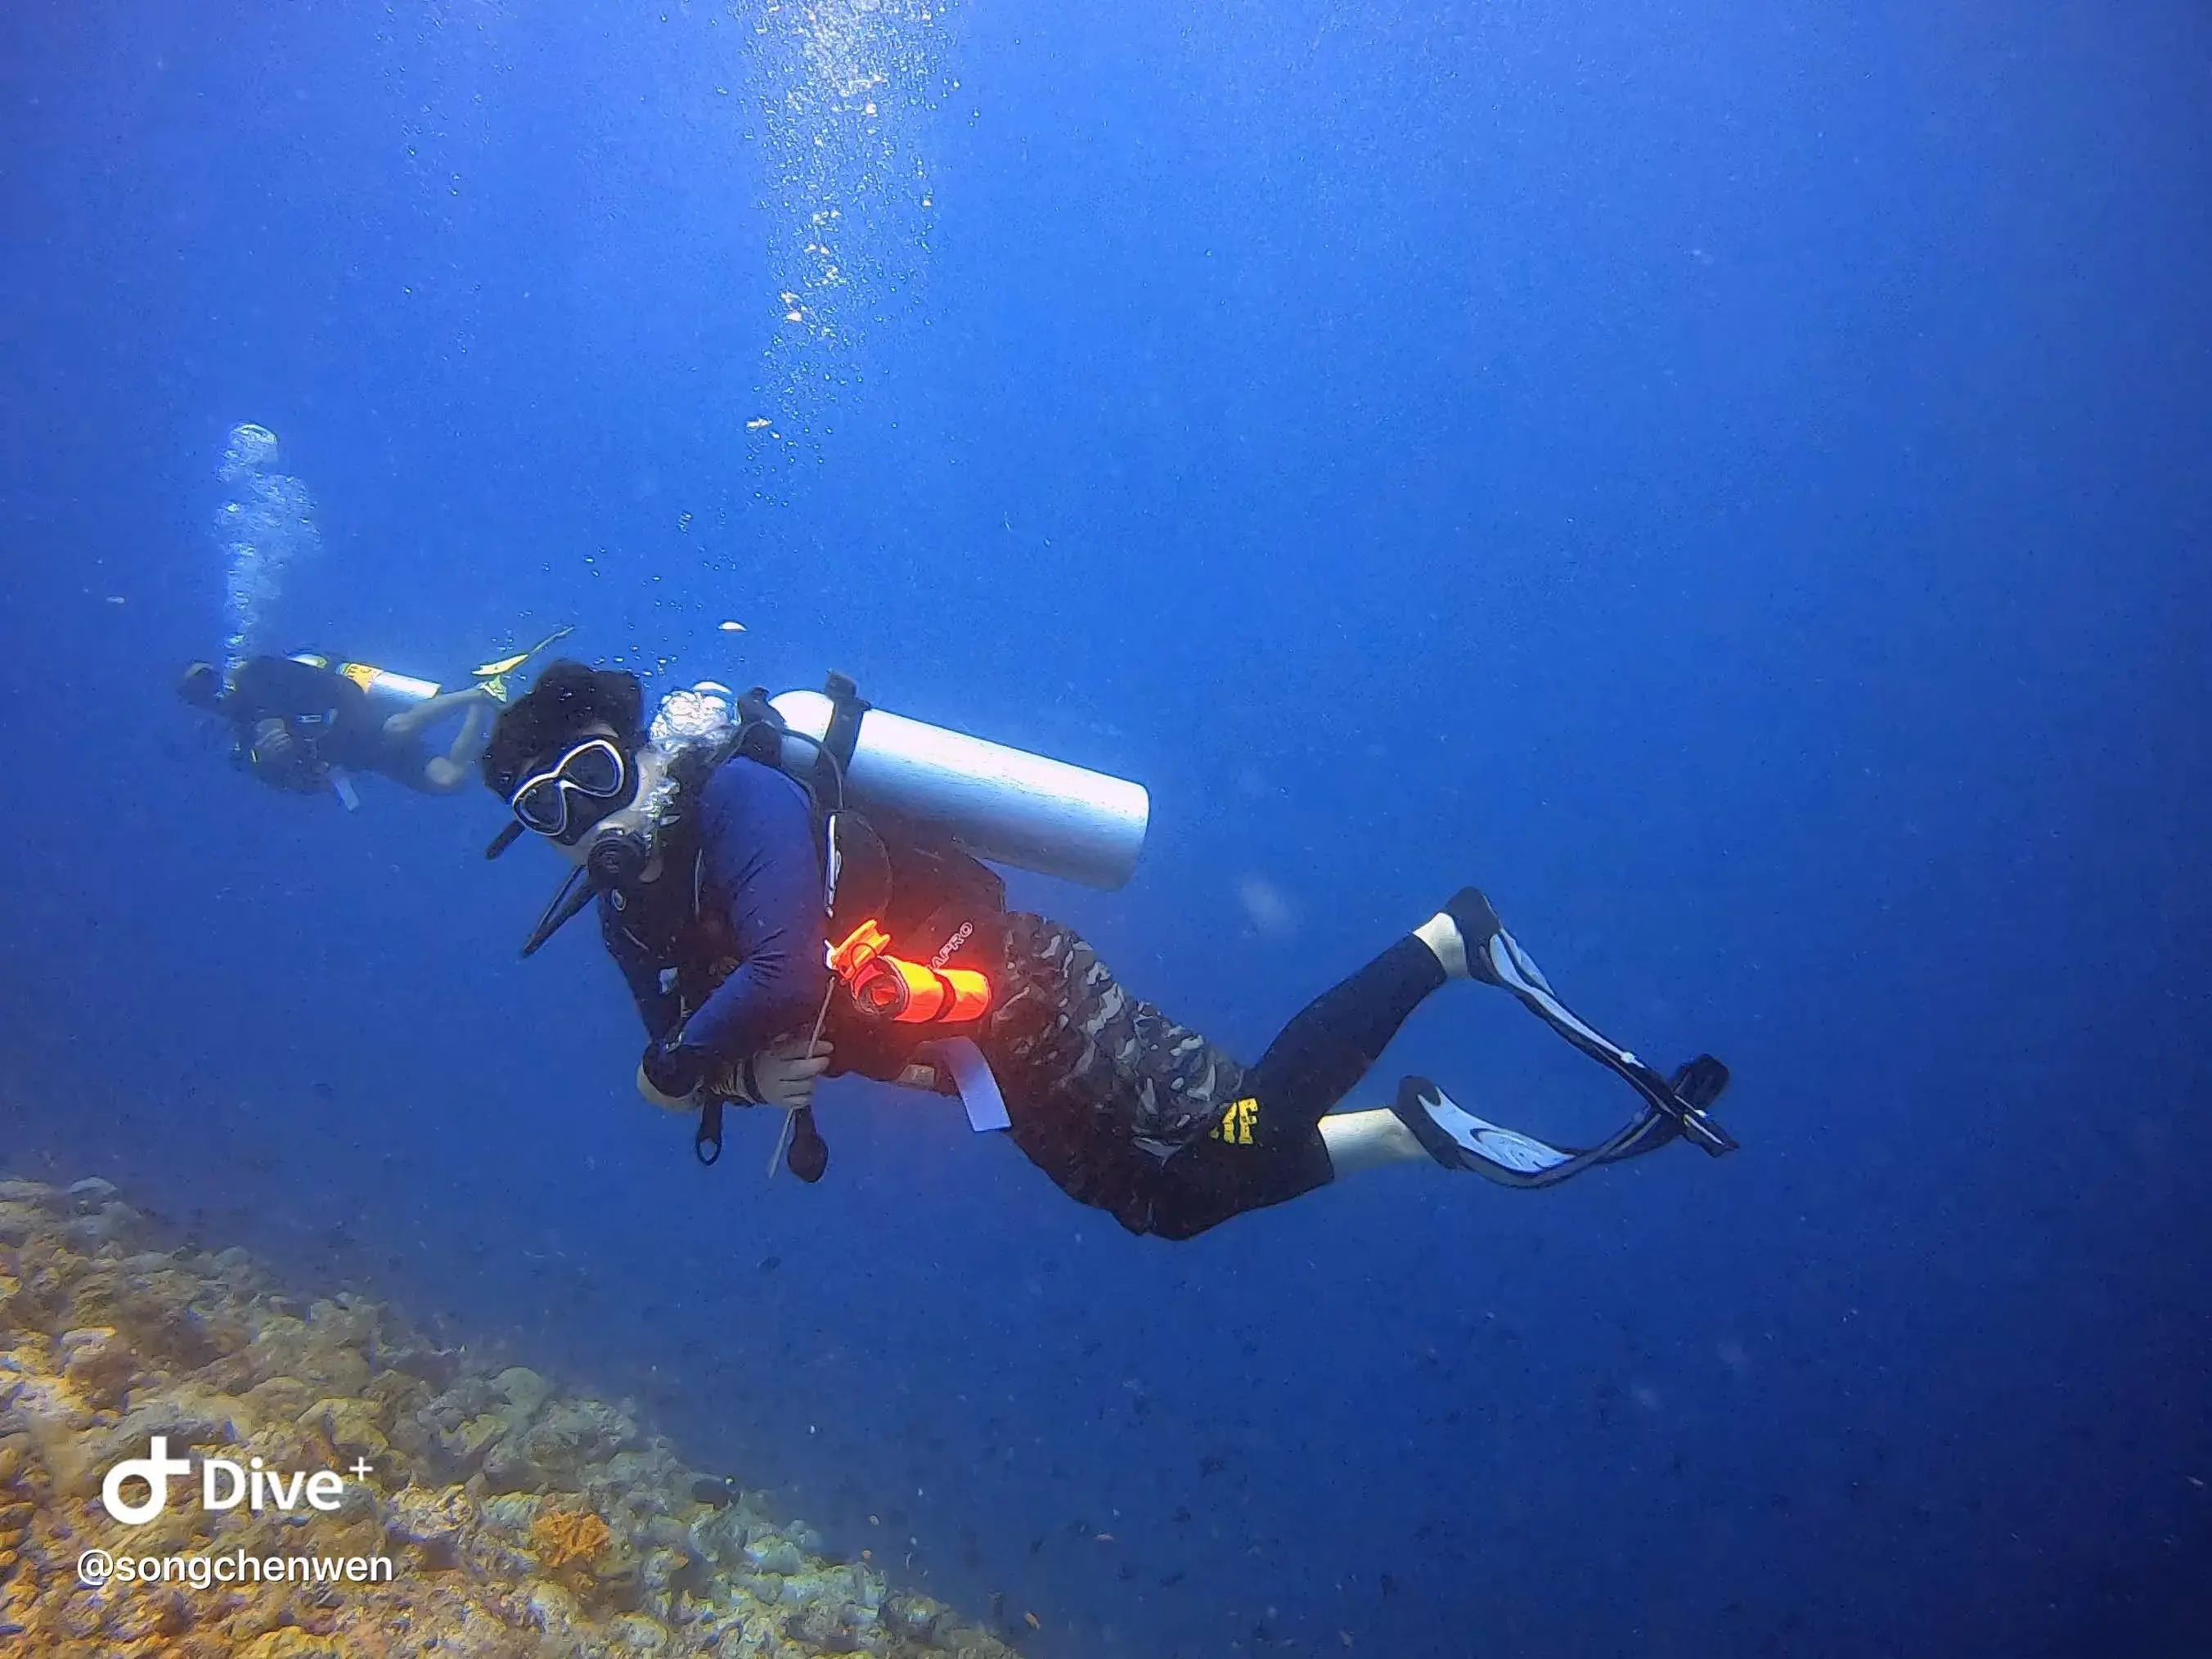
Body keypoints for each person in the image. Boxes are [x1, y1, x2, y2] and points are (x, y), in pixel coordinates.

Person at [481, 660, 1736, 1240]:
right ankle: (1411, 1130)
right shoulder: (627, 909)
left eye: (595, 777)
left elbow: (777, 983)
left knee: (1238, 1127)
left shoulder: (745, 807)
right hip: (969, 1056)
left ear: (641, 747)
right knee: (1164, 1210)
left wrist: (675, 1077)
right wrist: (732, 1079)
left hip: (1021, 987)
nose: (589, 820)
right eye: (550, 810)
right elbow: (703, 1035)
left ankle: (1449, 942)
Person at [178, 629, 569, 809]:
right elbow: (300, 785)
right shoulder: (244, 746)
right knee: (450, 780)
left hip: (361, 718)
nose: (211, 692)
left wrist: (338, 723)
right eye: (198, 693)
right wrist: (277, 760)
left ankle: (476, 692)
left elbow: (336, 687)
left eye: (207, 679)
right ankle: (484, 697)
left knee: (399, 728)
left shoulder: (259, 674)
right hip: (358, 755)